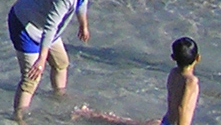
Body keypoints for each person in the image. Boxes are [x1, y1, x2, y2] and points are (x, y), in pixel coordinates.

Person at [7, 0, 122, 119]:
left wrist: (84, 25)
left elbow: (82, 2)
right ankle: (18, 117)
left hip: (45, 27)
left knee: (61, 63)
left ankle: (58, 96)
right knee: (31, 78)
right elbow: (50, 26)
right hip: (25, 25)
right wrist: (41, 59)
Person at [73, 37, 201, 125]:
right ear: (198, 58)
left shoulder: (173, 73)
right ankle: (89, 114)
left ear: (173, 57)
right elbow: (181, 108)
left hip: (166, 121)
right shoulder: (191, 81)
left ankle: (89, 114)